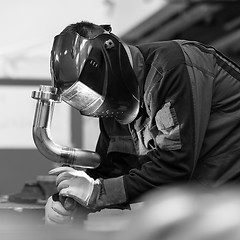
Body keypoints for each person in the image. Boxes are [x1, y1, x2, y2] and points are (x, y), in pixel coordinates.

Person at [45, 21, 240, 224]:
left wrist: (96, 192)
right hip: (206, 205)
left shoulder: (171, 67)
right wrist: (70, 200)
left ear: (110, 58)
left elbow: (174, 168)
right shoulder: (115, 103)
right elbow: (112, 168)